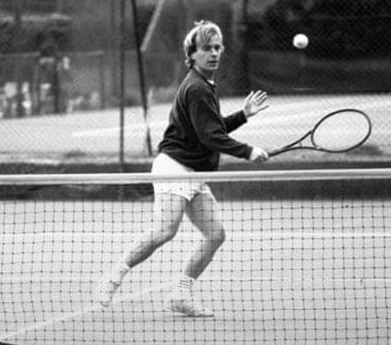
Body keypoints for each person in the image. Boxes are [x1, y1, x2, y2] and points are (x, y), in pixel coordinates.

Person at [94, 20, 269, 317]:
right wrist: (249, 151)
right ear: (193, 54)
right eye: (206, 49)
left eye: (217, 47)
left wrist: (243, 115)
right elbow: (211, 136)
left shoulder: (205, 85)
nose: (213, 53)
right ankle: (114, 276)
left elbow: (212, 127)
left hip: (195, 173)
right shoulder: (198, 87)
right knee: (165, 231)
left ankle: (180, 295)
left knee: (216, 235)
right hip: (174, 168)